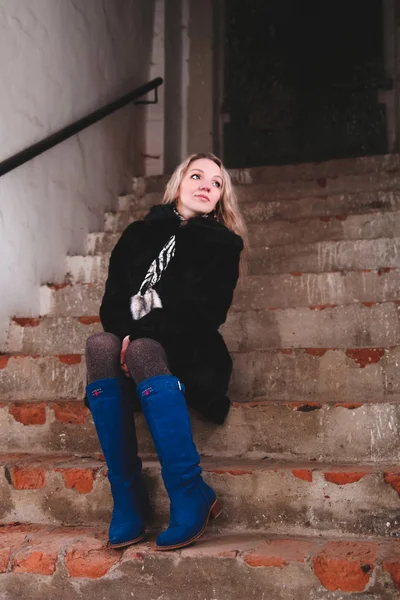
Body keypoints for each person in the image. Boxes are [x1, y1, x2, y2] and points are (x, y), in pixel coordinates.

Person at [85, 152, 247, 552]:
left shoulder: (222, 244)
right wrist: (126, 333)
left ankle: (190, 491)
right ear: (178, 184)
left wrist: (139, 334)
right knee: (100, 344)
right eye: (197, 175)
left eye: (217, 182)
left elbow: (204, 312)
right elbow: (113, 303)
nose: (206, 185)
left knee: (141, 349)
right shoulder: (136, 236)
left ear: (221, 198)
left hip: (191, 348)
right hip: (140, 343)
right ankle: (128, 496)